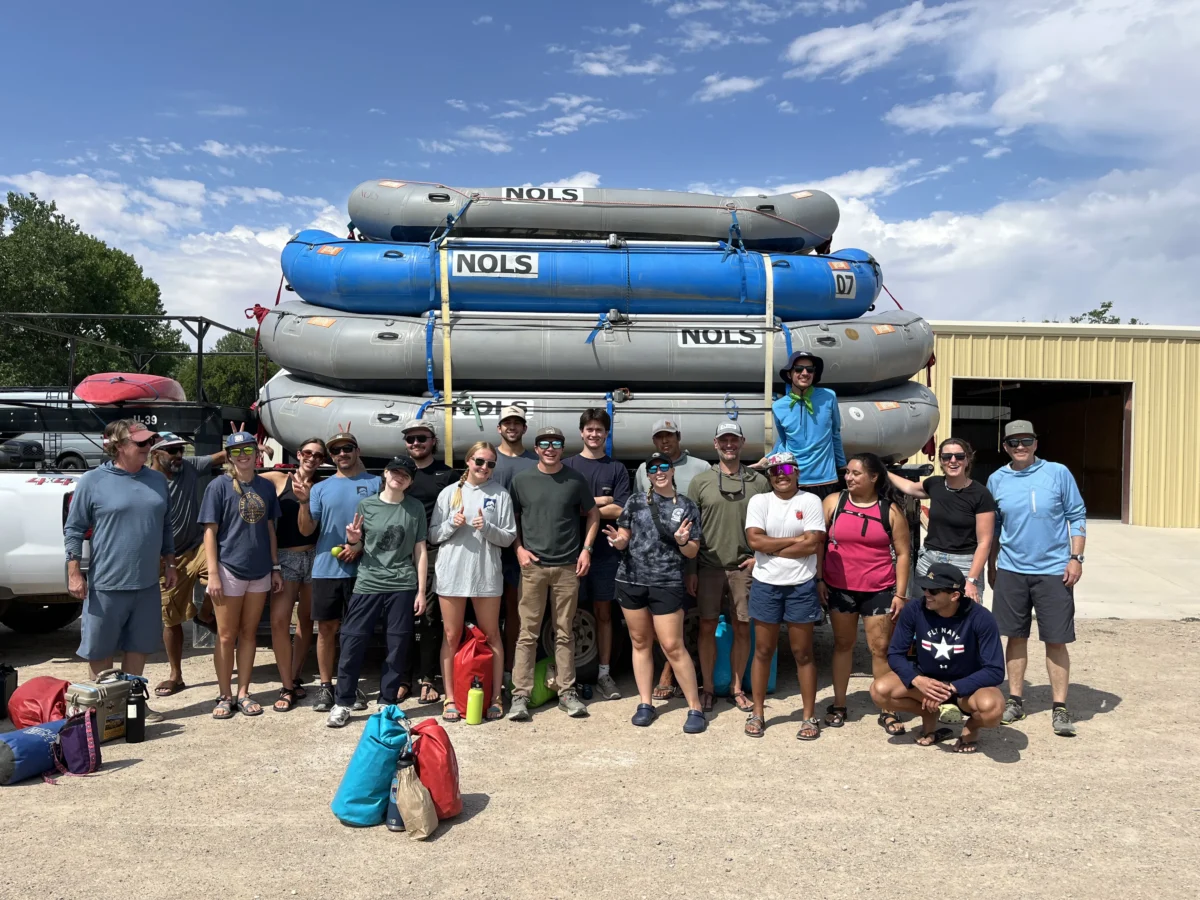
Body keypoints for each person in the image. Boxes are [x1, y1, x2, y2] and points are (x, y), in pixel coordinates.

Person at [986, 420, 1087, 737]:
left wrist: (1076, 558)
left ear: (1036, 443)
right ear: (1004, 447)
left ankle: (1059, 707)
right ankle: (1015, 700)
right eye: (1013, 442)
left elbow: (1077, 515)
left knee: (1056, 639)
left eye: (1026, 440)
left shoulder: (1057, 473)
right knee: (1014, 636)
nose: (1020, 447)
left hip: (1053, 571)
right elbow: (994, 527)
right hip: (1012, 569)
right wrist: (992, 564)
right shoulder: (997, 479)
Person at [64, 420, 176, 690]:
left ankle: (131, 705)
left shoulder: (158, 480)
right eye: (141, 443)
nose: (148, 447)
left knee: (139, 647)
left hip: (147, 585)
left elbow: (166, 526)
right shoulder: (93, 481)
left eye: (150, 442)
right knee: (100, 651)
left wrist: (170, 563)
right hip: (106, 585)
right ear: (119, 446)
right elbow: (74, 528)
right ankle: (104, 711)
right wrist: (74, 573)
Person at [604, 452, 706, 733]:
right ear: (647, 475)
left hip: (667, 582)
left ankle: (694, 707)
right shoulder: (635, 502)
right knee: (639, 642)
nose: (659, 472)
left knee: (673, 645)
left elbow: (692, 550)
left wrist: (683, 541)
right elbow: (625, 537)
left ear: (672, 471)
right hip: (631, 580)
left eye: (664, 467)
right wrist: (618, 540)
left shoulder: (687, 506)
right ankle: (646, 702)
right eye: (653, 468)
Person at [327, 457, 429, 727]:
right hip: (369, 582)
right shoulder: (367, 505)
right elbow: (358, 544)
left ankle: (387, 703)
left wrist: (421, 590)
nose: (399, 477)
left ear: (410, 481)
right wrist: (352, 539)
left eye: (405, 474)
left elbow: (420, 550)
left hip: (402, 584)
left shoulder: (415, 507)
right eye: (395, 471)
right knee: (352, 642)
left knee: (397, 646)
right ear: (385, 474)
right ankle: (343, 702)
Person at [507, 425, 599, 721]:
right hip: (532, 567)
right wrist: (518, 548)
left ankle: (567, 693)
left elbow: (593, 514)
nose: (550, 448)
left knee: (565, 632)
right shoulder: (522, 480)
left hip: (567, 567)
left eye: (556, 443)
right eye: (544, 443)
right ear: (536, 448)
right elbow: (513, 518)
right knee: (527, 634)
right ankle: (520, 696)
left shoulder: (575, 479)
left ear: (562, 447)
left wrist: (586, 549)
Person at [821, 452, 912, 737]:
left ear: (874, 477)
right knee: (842, 645)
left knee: (880, 649)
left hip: (879, 590)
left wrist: (900, 594)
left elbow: (904, 553)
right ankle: (839, 705)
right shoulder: (834, 503)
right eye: (847, 472)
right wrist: (819, 579)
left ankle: (888, 708)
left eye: (856, 473)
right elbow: (818, 543)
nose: (848, 477)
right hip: (840, 588)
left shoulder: (891, 510)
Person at [872, 563, 1005, 753]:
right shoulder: (914, 610)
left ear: (954, 595)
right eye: (925, 587)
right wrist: (918, 680)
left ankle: (972, 727)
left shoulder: (981, 617)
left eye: (933, 590)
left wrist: (951, 688)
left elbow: (995, 670)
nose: (926, 593)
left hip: (966, 688)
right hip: (926, 682)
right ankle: (928, 715)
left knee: (993, 708)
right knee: (879, 691)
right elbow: (895, 654)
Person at [684, 421, 769, 713]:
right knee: (706, 626)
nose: (729, 444)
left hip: (744, 567)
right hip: (708, 566)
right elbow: (691, 528)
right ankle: (707, 687)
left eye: (734, 440)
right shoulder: (701, 481)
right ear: (715, 443)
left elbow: (770, 523)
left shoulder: (758, 481)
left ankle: (736, 688)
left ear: (742, 442)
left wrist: (760, 557)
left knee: (742, 627)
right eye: (724, 440)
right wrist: (691, 569)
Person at [198, 431, 284, 719]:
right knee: (225, 635)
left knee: (249, 634)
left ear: (256, 452)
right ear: (229, 456)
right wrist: (213, 573)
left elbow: (270, 529)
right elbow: (209, 531)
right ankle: (224, 695)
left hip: (260, 570)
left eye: (248, 449)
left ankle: (244, 691)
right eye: (236, 451)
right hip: (228, 569)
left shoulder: (266, 486)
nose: (243, 455)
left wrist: (275, 567)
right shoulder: (217, 487)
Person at [294, 429, 380, 713]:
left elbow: (383, 525)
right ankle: (325, 687)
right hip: (326, 569)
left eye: (347, 448)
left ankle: (349, 683)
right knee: (327, 629)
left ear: (357, 450)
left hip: (363, 570)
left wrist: (360, 546)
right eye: (336, 451)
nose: (342, 454)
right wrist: (304, 502)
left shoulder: (376, 483)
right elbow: (306, 529)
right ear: (331, 457)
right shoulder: (319, 489)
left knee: (354, 632)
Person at [742, 451, 826, 739]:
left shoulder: (810, 501)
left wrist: (770, 547)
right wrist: (795, 539)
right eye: (775, 470)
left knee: (803, 653)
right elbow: (754, 540)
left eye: (788, 468)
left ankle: (809, 716)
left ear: (797, 472)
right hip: (766, 584)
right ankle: (758, 712)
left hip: (801, 585)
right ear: (769, 476)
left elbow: (813, 544)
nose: (782, 474)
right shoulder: (759, 501)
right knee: (763, 651)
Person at [430, 442, 516, 722]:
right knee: (452, 636)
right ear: (468, 461)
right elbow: (433, 536)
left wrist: (487, 528)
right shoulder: (448, 493)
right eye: (480, 461)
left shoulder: (500, 494)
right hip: (452, 573)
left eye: (491, 464)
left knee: (492, 635)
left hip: (486, 574)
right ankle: (451, 698)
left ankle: (494, 697)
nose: (485, 468)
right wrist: (451, 524)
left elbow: (509, 536)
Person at [150, 431, 226, 698]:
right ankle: (176, 675)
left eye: (181, 450)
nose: (179, 455)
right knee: (171, 620)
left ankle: (205, 614)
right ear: (156, 453)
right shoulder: (146, 482)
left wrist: (246, 442)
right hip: (168, 560)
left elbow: (220, 456)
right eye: (172, 451)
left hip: (197, 547)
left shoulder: (189, 467)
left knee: (224, 570)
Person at [564, 408, 631, 701]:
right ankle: (568, 678)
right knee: (566, 616)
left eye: (599, 430)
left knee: (605, 614)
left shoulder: (615, 468)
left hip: (605, 555)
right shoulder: (566, 466)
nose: (594, 434)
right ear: (581, 432)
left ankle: (604, 673)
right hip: (568, 552)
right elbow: (563, 507)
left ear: (606, 434)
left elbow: (620, 509)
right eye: (589, 429)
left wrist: (587, 506)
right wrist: (601, 501)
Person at [260, 437, 326, 712]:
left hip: (314, 555)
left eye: (319, 455)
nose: (312, 458)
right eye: (308, 452)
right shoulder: (278, 479)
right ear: (298, 454)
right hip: (285, 558)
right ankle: (286, 684)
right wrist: (255, 452)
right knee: (279, 621)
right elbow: (244, 477)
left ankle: (295, 677)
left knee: (306, 620)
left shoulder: (322, 486)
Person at [888, 438, 995, 601]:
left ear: (967, 460)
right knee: (926, 616)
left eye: (959, 456)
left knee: (964, 620)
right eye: (947, 457)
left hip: (964, 564)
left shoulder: (981, 494)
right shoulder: (935, 484)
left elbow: (984, 542)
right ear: (941, 460)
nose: (953, 461)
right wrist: (883, 471)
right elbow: (909, 487)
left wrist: (971, 580)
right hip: (930, 561)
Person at [399, 419, 458, 705]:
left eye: (421, 438)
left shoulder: (446, 475)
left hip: (434, 552)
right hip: (400, 552)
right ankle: (401, 678)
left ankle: (427, 678)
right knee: (400, 617)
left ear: (433, 441)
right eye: (410, 439)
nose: (416, 444)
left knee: (429, 617)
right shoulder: (398, 472)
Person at [492, 405, 540, 690]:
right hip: (486, 545)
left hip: (520, 547)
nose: (512, 427)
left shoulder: (534, 461)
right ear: (499, 428)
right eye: (507, 423)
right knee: (483, 611)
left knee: (514, 610)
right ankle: (489, 669)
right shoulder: (486, 458)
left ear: (524, 429)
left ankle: (511, 671)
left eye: (517, 423)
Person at [765, 351, 845, 499]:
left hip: (825, 478)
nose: (804, 373)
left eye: (810, 369)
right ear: (789, 374)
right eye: (798, 369)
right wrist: (768, 458)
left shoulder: (829, 397)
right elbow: (784, 440)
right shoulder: (779, 406)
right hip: (794, 478)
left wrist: (842, 464)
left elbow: (835, 433)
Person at [633, 418, 711, 494]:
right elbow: (637, 503)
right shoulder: (643, 469)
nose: (664, 441)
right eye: (659, 437)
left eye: (669, 435)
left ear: (679, 436)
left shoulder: (702, 467)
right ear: (653, 440)